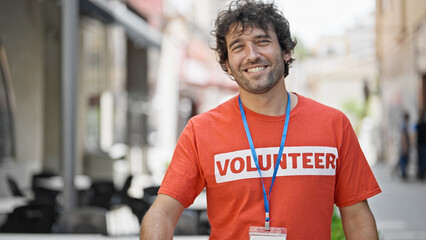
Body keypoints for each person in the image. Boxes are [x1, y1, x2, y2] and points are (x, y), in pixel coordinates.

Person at [140, 0, 381, 239]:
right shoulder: (200, 131)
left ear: (286, 51)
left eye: (262, 41)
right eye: (238, 47)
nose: (252, 55)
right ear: (227, 64)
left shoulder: (333, 125)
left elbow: (357, 218)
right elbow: (163, 213)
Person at [399, 112, 410, 179]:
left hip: (404, 145)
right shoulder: (404, 125)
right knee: (403, 159)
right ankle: (403, 173)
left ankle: (403, 173)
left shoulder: (403, 124)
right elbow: (403, 136)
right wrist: (405, 145)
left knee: (404, 159)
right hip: (404, 145)